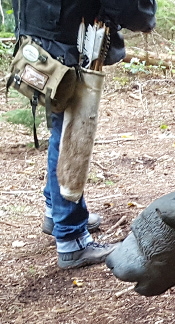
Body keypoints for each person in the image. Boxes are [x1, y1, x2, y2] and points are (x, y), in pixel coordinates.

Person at [13, 0, 156, 269]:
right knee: (70, 128)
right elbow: (131, 10)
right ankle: (72, 239)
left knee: (62, 122)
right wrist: (142, 16)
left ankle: (56, 214)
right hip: (64, 37)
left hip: (41, 31)